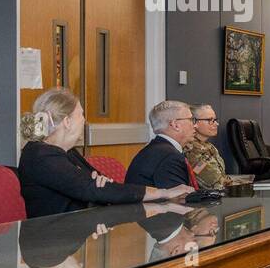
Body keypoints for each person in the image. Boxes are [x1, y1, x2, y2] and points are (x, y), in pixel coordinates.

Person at [18, 87, 193, 218]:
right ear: (67, 122)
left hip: (76, 233)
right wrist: (163, 192)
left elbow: (102, 185)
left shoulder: (67, 153)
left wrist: (98, 187)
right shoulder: (40, 155)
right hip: (48, 246)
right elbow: (93, 189)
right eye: (81, 115)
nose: (85, 120)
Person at [126, 100, 200, 189]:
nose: (195, 125)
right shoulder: (169, 157)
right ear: (175, 125)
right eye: (191, 120)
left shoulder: (157, 149)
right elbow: (179, 198)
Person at [184, 104, 235, 189]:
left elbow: (222, 176)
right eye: (210, 120)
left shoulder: (210, 147)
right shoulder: (191, 149)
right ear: (194, 122)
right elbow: (213, 183)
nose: (216, 124)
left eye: (215, 120)